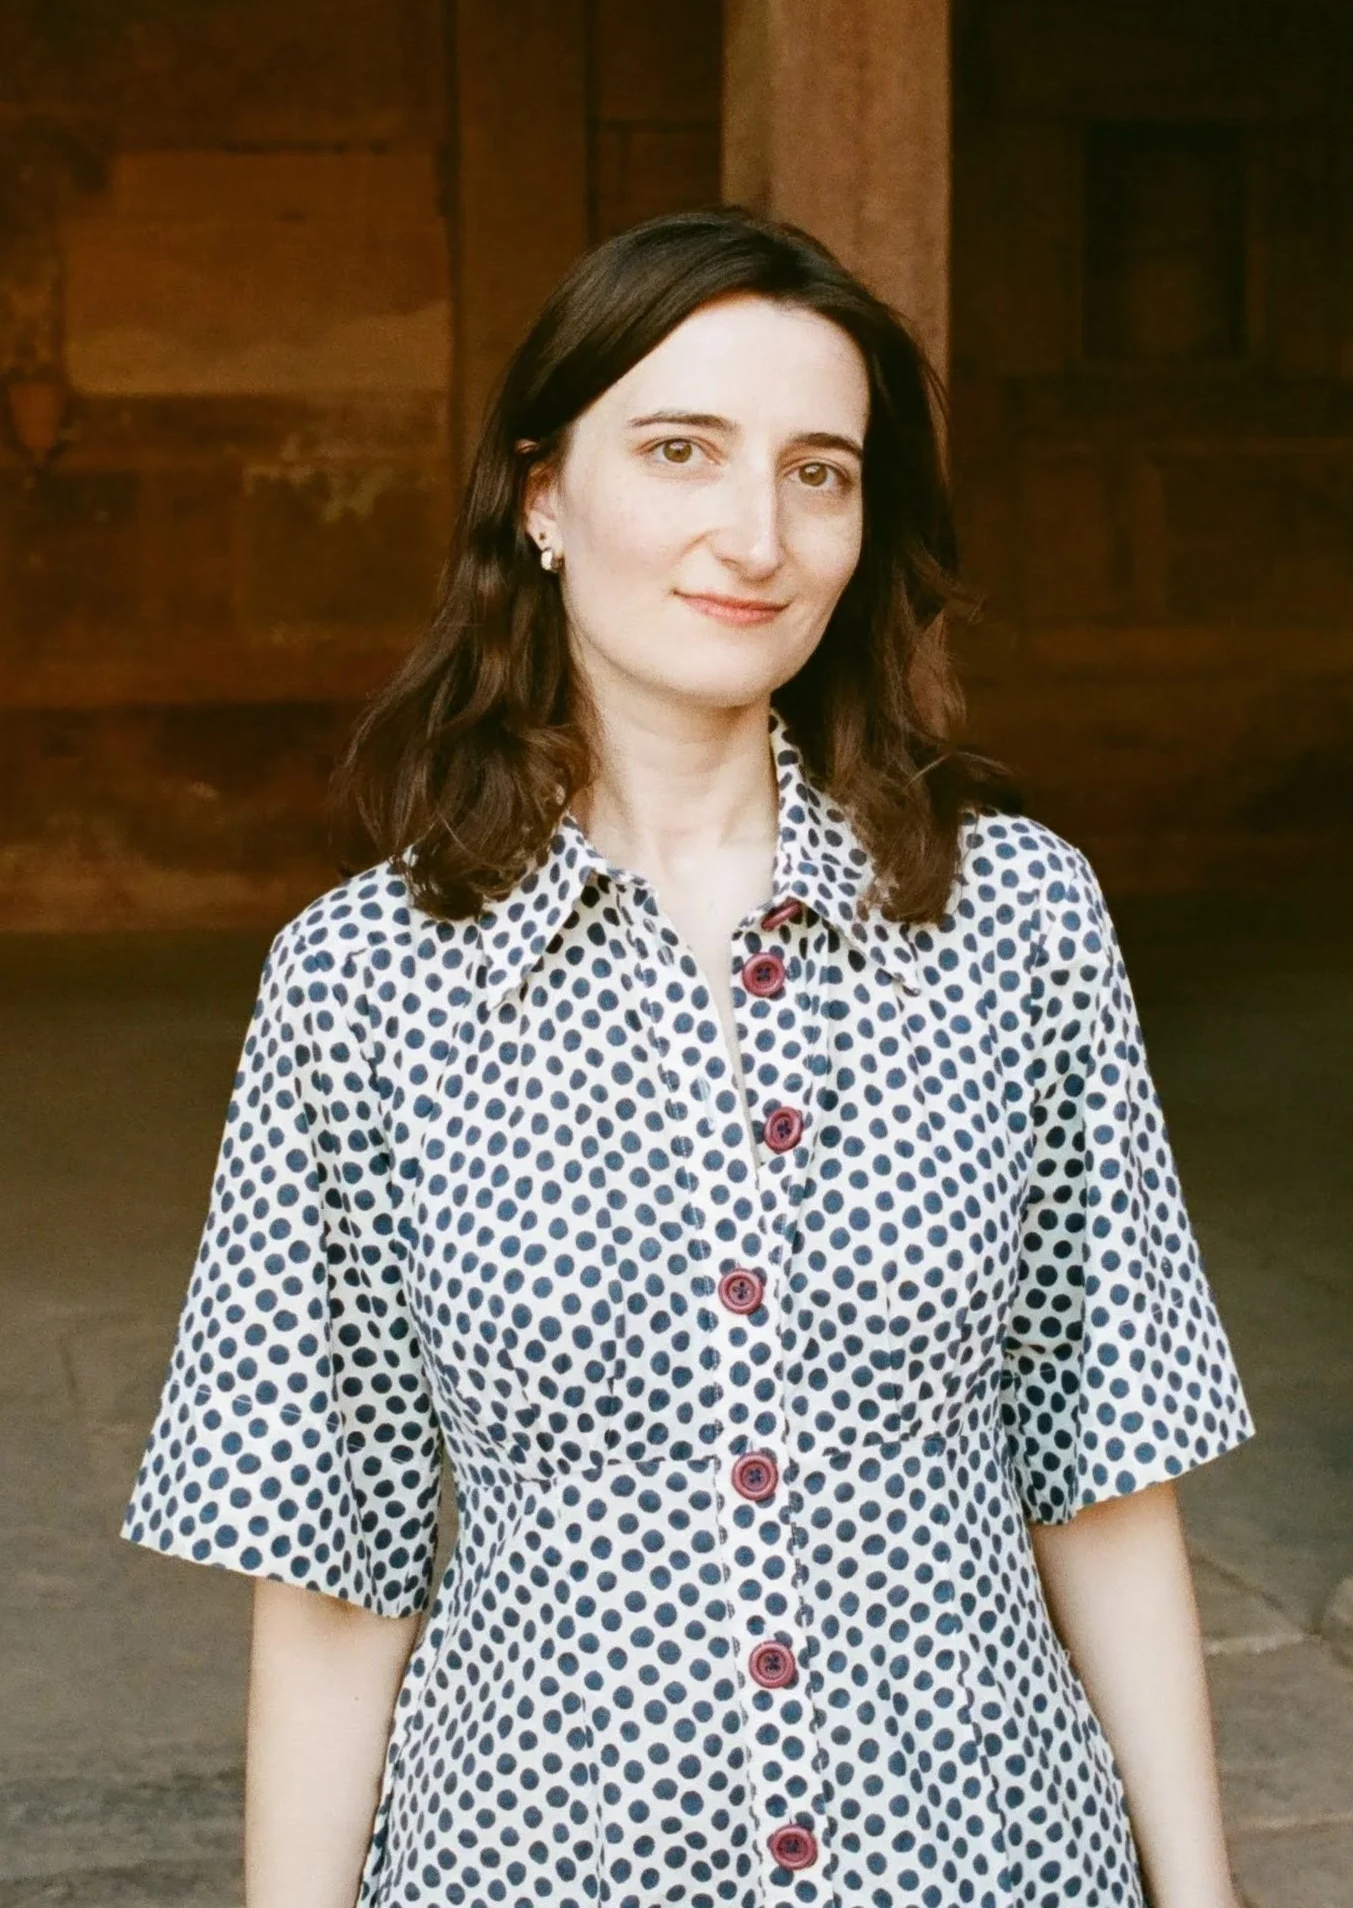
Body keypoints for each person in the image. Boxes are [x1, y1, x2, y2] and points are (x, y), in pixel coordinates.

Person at [123, 206, 1253, 1908]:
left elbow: (1101, 1469)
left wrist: (1205, 1891)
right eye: (680, 450)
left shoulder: (1017, 919)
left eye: (820, 471)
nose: (755, 533)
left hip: (987, 1853)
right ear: (544, 496)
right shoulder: (358, 982)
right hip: (537, 1860)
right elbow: (328, 1566)